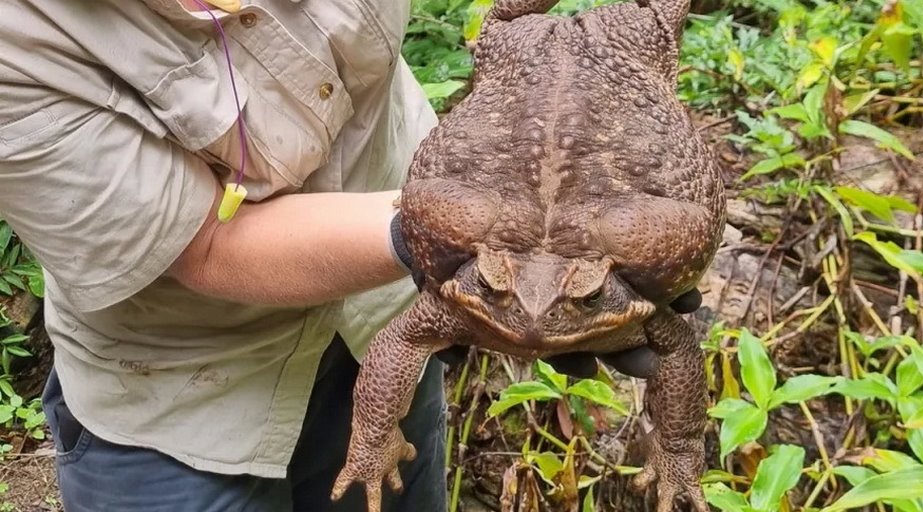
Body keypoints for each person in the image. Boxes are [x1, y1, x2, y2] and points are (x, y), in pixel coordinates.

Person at [0, 1, 701, 511]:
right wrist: (437, 242)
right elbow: (204, 246)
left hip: (384, 310)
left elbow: (675, 344)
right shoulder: (19, 40)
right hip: (187, 392)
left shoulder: (598, 276)